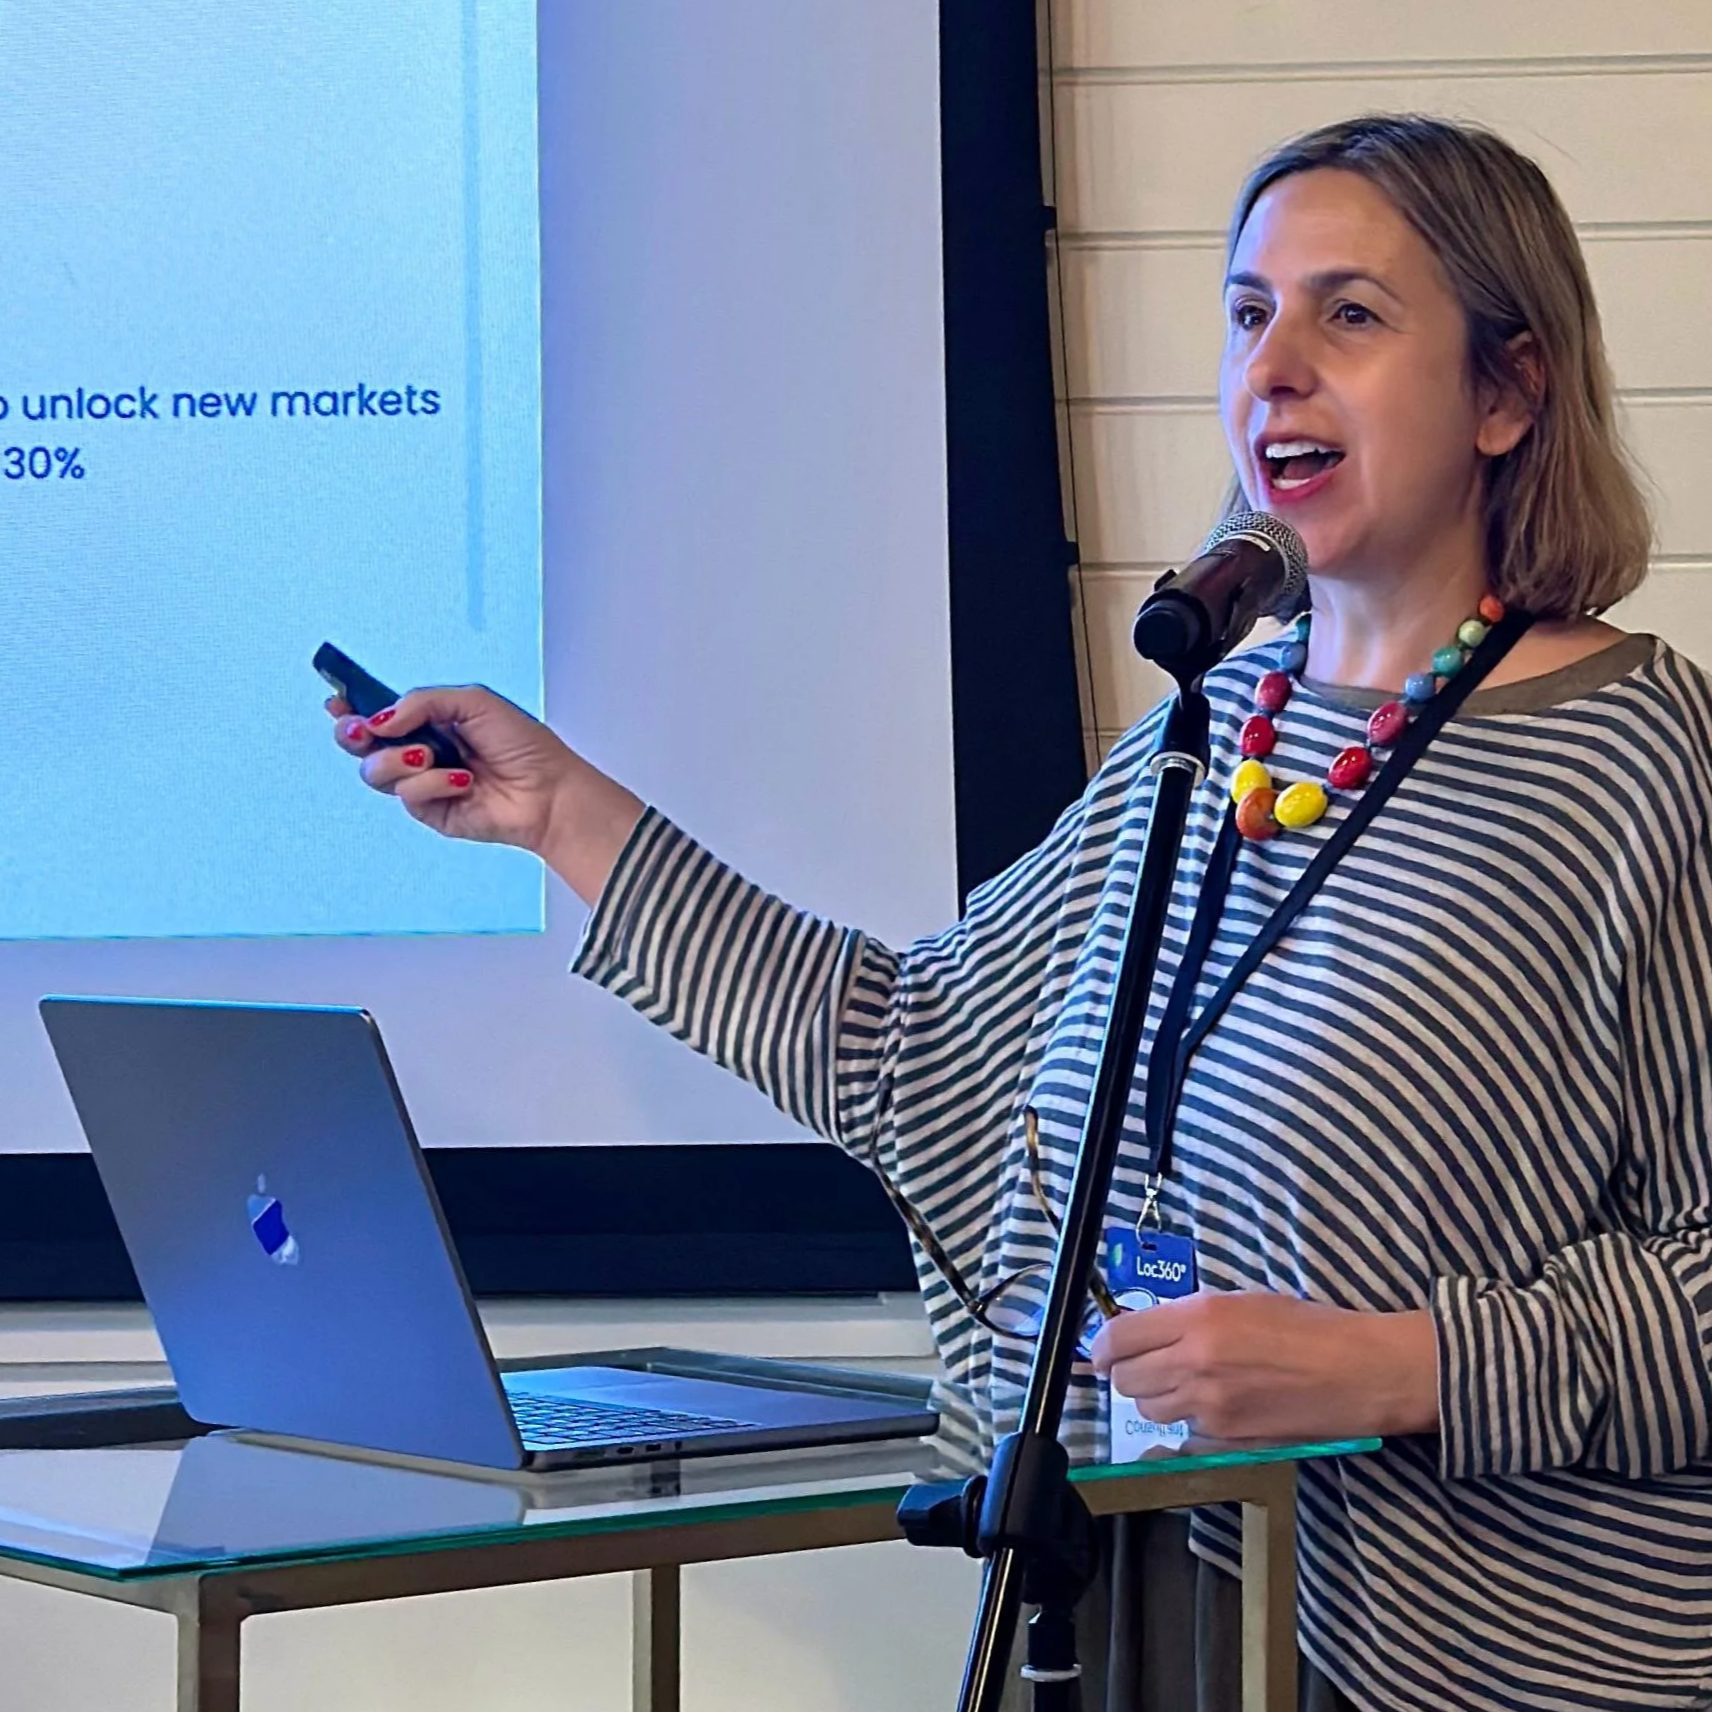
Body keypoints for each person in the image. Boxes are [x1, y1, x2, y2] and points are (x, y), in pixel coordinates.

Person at [329, 114, 1712, 1712]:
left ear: (1507, 389)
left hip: (1509, 1666)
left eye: (1350, 315)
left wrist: (1402, 1364)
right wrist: (558, 810)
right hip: (1177, 1615)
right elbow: (916, 1051)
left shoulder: (1634, 761)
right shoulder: (1212, 730)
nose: (1273, 371)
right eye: (1249, 314)